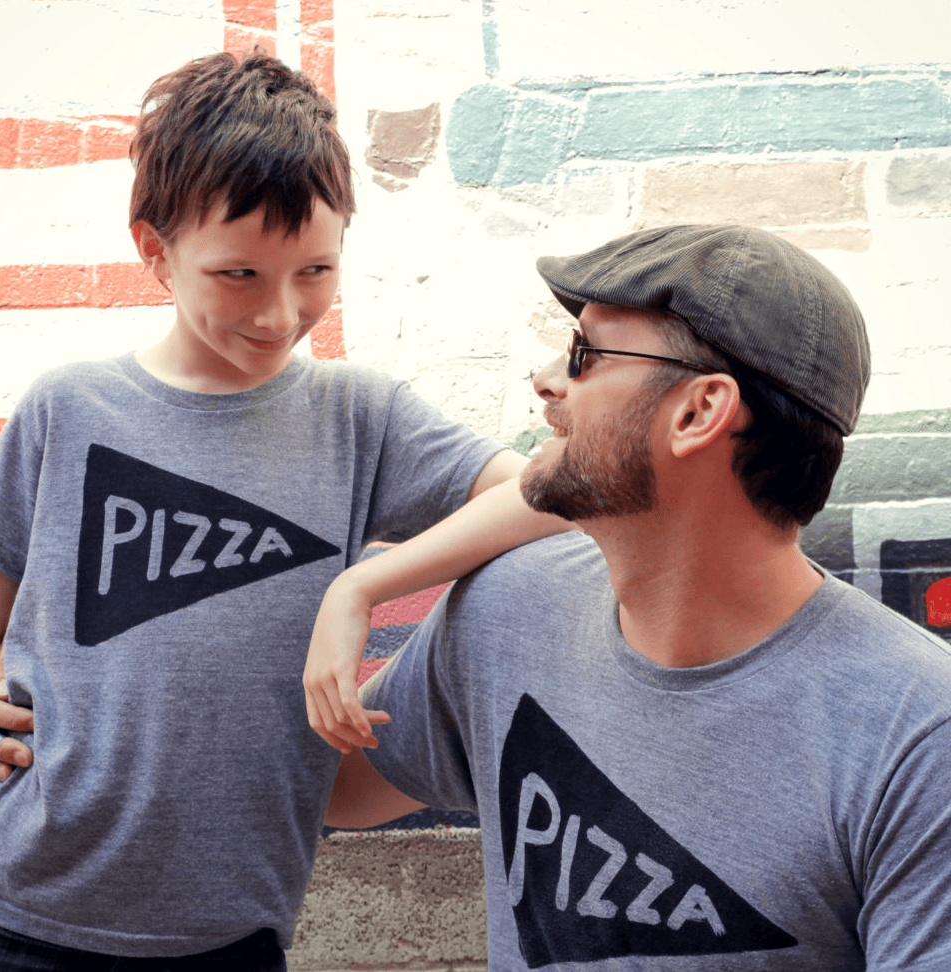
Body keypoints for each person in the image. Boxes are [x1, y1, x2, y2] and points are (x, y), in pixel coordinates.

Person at [0, 49, 569, 969]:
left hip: (229, 936)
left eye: (315, 270)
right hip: (5, 914)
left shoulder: (361, 419)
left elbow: (557, 496)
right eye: (238, 275)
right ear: (155, 250)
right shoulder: (68, 409)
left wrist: (364, 584)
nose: (281, 315)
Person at [326, 225, 951, 970]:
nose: (548, 377)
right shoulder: (508, 609)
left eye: (586, 354)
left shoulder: (916, 737)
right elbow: (329, 791)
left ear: (697, 412)